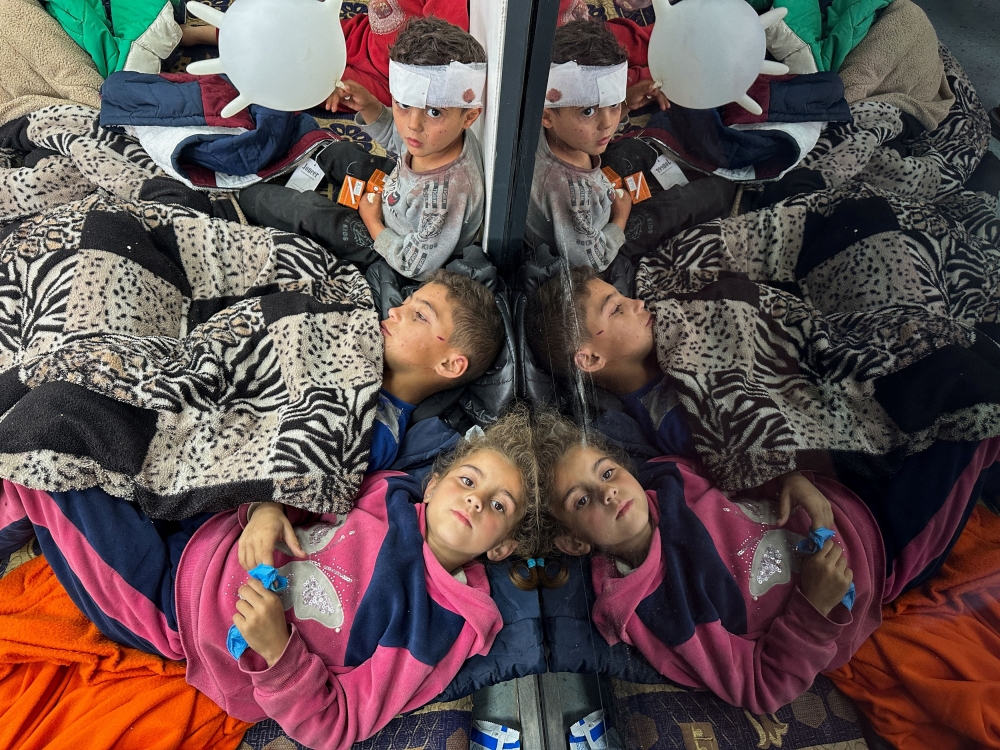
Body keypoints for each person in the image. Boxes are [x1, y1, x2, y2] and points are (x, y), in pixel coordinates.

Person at [0, 408, 541, 750]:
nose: (475, 498)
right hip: (204, 523)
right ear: (439, 479)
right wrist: (264, 511)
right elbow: (311, 495)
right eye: (469, 480)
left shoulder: (441, 626)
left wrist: (278, 653)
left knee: (45, 455)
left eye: (498, 503)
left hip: (171, 608)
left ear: (502, 546)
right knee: (77, 417)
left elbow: (337, 725)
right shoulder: (394, 493)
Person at [534, 410, 1000, 714]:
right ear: (575, 544)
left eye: (608, 473)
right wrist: (813, 610)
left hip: (835, 486)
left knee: (948, 379)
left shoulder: (665, 478)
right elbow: (760, 688)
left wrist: (790, 480)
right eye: (582, 501)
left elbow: (738, 470)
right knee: (979, 423)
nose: (609, 491)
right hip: (884, 553)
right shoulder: (663, 614)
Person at [240, 17, 486, 281]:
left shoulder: (446, 197)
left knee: (312, 213)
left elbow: (416, 265)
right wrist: (370, 107)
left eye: (434, 112)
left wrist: (373, 222)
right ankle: (290, 167)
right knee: (339, 152)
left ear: (469, 117)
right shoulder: (438, 138)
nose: (412, 126)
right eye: (403, 105)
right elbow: (399, 139)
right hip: (397, 196)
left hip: (391, 251)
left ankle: (243, 197)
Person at [525, 20, 734, 269]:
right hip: (602, 246)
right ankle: (730, 191)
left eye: (613, 103)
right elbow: (592, 260)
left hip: (595, 196)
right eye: (589, 111)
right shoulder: (568, 194)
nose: (608, 123)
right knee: (676, 208)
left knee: (635, 151)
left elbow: (594, 117)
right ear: (547, 116)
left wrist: (626, 104)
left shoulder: (550, 129)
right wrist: (620, 216)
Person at [527, 265, 693, 459]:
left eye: (622, 295)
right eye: (616, 309)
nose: (638, 303)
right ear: (590, 359)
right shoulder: (675, 423)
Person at [370, 269, 503, 471]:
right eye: (404, 303)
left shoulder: (376, 438)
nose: (394, 312)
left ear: (450, 365)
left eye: (420, 315)